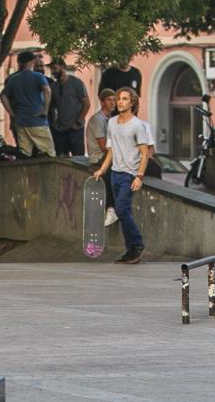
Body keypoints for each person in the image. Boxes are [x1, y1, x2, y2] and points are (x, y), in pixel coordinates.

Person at [91, 86, 152, 264]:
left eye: (124, 99)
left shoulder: (137, 125)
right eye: (118, 99)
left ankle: (137, 244)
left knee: (121, 209)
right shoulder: (112, 122)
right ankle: (130, 250)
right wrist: (102, 169)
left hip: (129, 174)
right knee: (125, 211)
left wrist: (139, 176)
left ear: (132, 102)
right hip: (115, 173)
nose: (119, 102)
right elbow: (111, 150)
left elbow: (145, 153)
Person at [0, 50, 53, 157]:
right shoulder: (38, 76)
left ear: (19, 62)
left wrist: (12, 113)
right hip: (37, 120)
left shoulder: (13, 79)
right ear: (32, 62)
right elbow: (47, 90)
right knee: (48, 152)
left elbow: (3, 96)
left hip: (21, 121)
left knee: (24, 153)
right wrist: (45, 110)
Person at [86, 89, 118, 226]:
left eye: (114, 100)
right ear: (102, 102)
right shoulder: (98, 120)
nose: (113, 103)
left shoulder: (110, 120)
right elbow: (104, 147)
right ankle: (110, 208)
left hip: (107, 155)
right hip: (98, 157)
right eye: (109, 100)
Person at [49, 58, 90, 157]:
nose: (53, 71)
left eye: (55, 68)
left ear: (63, 67)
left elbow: (87, 103)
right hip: (60, 129)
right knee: (61, 158)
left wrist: (79, 121)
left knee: (78, 158)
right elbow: (52, 106)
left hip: (75, 129)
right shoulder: (53, 86)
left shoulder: (76, 83)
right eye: (51, 69)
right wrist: (54, 123)